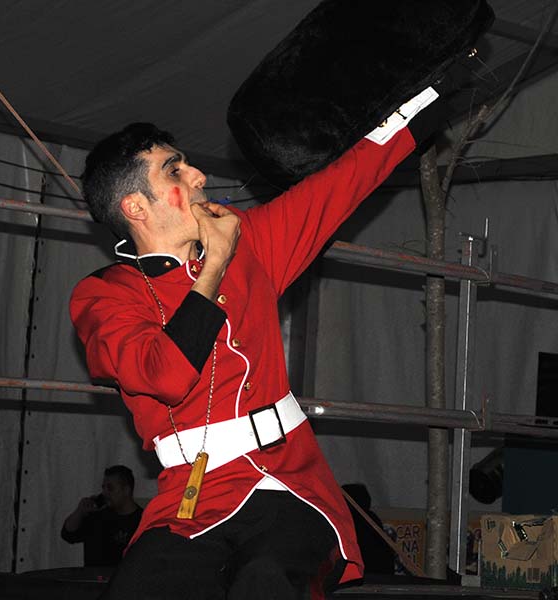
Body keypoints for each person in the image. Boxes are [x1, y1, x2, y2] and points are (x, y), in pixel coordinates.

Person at [69, 106, 431, 598]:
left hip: (289, 481)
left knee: (265, 579)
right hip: (191, 499)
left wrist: (429, 99)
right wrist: (215, 263)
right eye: (175, 170)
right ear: (135, 207)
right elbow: (166, 376)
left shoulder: (250, 241)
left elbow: (342, 181)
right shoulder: (104, 295)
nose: (199, 175)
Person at [61, 465, 143, 567]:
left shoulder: (142, 522)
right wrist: (80, 511)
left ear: (126, 490)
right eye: (103, 488)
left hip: (123, 577)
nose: (104, 493)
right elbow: (68, 534)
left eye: (110, 488)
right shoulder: (97, 516)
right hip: (92, 576)